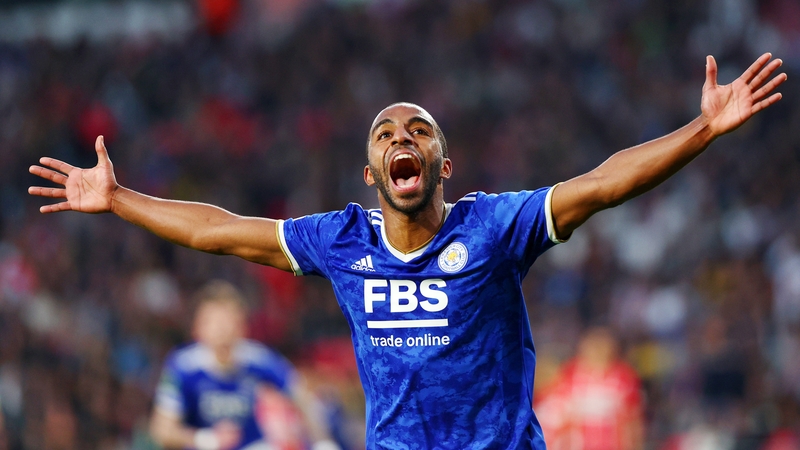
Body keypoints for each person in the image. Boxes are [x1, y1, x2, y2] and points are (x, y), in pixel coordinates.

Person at [29, 53, 786, 448]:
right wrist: (119, 199)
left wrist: (702, 130)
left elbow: (600, 185)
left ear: (443, 165)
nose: (403, 137)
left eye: (420, 130)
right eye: (386, 133)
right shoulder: (342, 241)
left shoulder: (493, 229)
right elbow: (218, 230)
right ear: (371, 174)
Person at [149, 280, 338, 450]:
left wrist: (322, 442)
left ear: (242, 325)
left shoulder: (259, 359)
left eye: (229, 320)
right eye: (215, 321)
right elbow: (162, 431)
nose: (223, 329)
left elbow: (301, 396)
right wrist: (206, 440)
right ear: (198, 327)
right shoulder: (183, 366)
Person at [535, 327, 644, 450]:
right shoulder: (569, 373)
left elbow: (634, 418)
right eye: (593, 345)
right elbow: (553, 410)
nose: (597, 350)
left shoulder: (625, 376)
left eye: (602, 345)